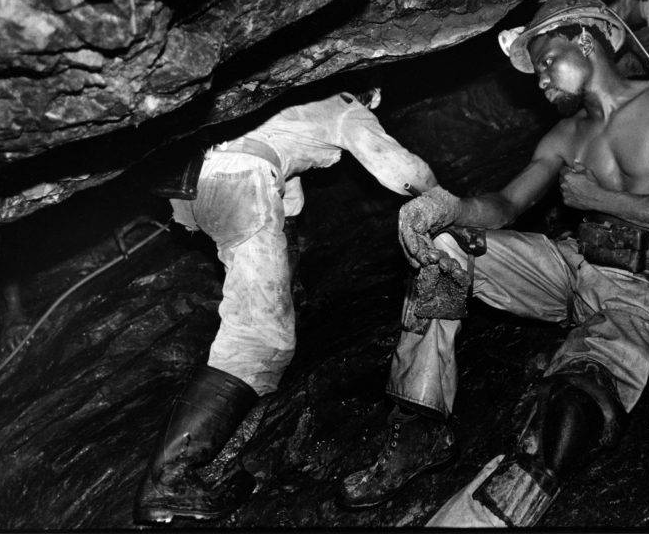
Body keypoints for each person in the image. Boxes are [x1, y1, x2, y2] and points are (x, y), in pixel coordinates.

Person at [337, 0, 649, 526]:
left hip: (646, 283)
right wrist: (449, 206)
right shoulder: (563, 135)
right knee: (446, 249)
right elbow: (507, 205)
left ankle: (495, 513)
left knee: (571, 406)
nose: (540, 80)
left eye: (546, 62)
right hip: (572, 267)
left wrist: (605, 201)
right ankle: (421, 425)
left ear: (585, 40)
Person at [133, 86, 437, 525]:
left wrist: (287, 279)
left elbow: (288, 199)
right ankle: (169, 482)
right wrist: (443, 200)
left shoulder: (293, 104)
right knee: (262, 339)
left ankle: (204, 467)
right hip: (241, 179)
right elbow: (402, 170)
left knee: (255, 319)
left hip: (194, 189)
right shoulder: (345, 106)